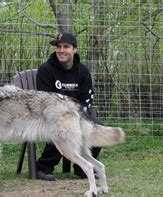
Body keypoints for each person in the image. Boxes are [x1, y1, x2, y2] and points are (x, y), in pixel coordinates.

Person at [35, 31, 101, 181]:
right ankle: (44, 167)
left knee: (97, 129)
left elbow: (87, 98)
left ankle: (81, 168)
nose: (61, 50)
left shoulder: (83, 71)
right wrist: (67, 118)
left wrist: (77, 118)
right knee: (62, 130)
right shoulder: (46, 69)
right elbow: (45, 101)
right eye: (58, 47)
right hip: (51, 117)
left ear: (74, 49)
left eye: (66, 46)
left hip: (78, 115)